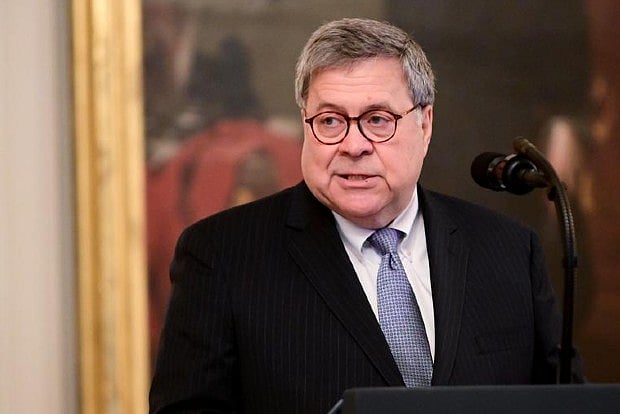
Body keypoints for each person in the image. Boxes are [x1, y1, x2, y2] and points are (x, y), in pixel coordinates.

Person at [149, 18, 567, 413]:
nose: (353, 145)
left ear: (425, 125)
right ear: (305, 124)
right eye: (330, 121)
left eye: (377, 120)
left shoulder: (509, 250)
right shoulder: (222, 256)